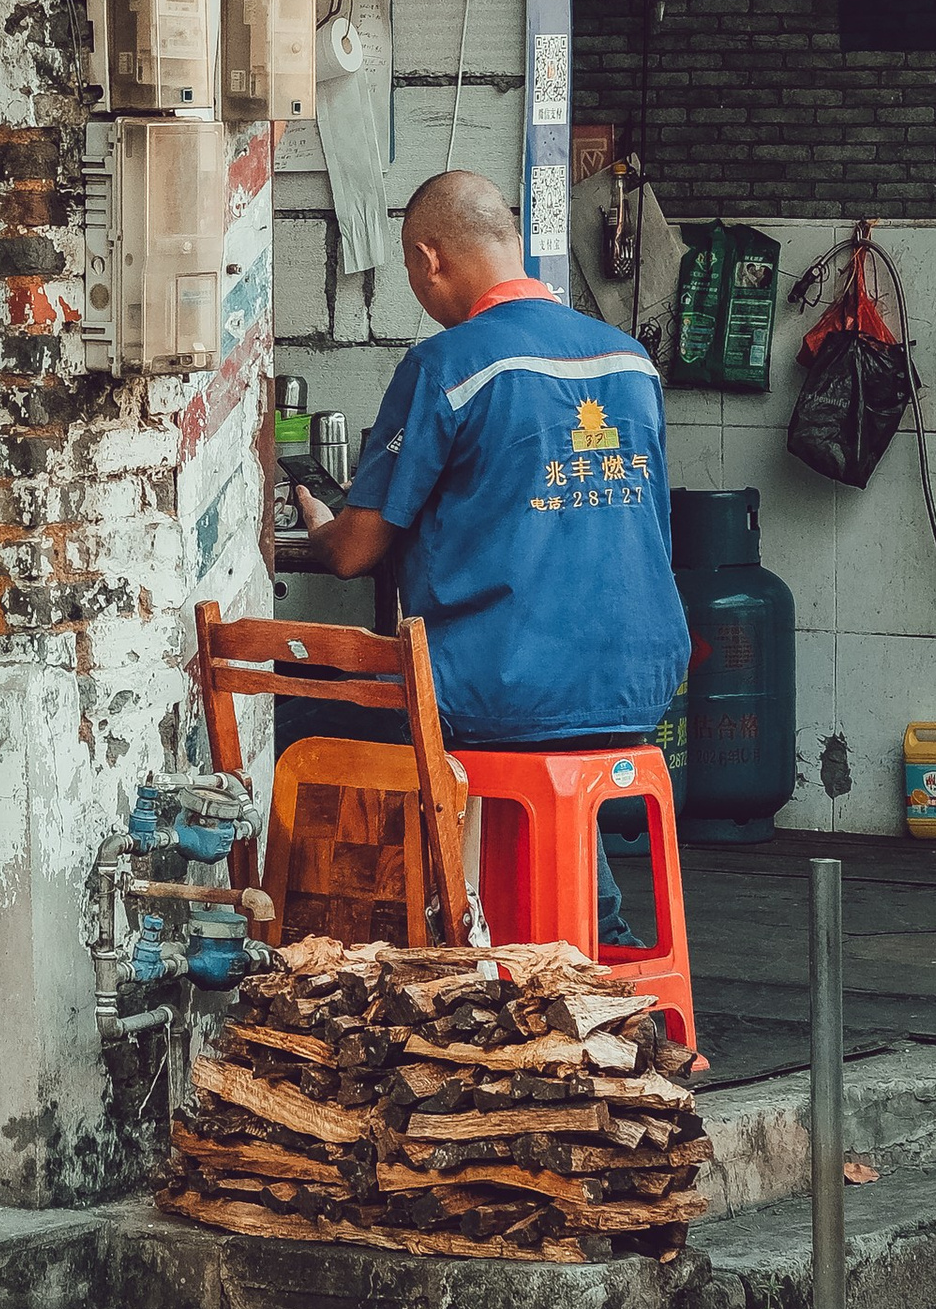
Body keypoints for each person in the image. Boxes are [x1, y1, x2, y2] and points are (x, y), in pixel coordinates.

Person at [279, 168, 688, 946]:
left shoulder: (448, 367)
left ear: (431, 258)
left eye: (409, 269)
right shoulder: (630, 363)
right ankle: (601, 937)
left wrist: (319, 523)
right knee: (545, 755)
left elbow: (356, 554)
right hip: (637, 684)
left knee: (297, 716)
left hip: (505, 693)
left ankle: (387, 949)